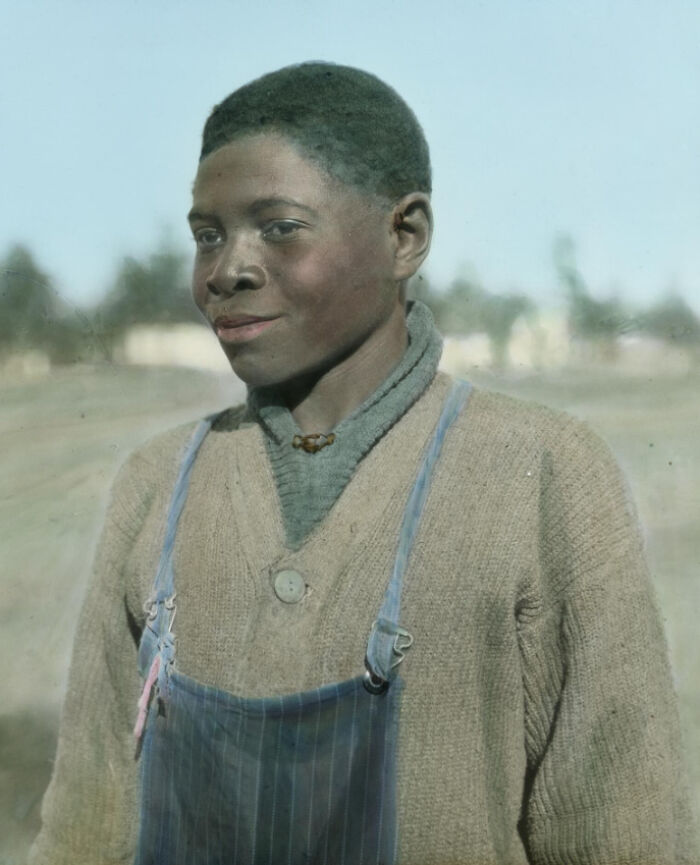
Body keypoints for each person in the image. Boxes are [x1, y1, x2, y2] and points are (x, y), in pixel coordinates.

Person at [29, 61, 695, 865]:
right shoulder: (158, 484)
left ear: (404, 236)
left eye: (278, 225)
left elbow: (622, 833)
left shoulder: (544, 475)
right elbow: (83, 832)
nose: (226, 269)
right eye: (207, 234)